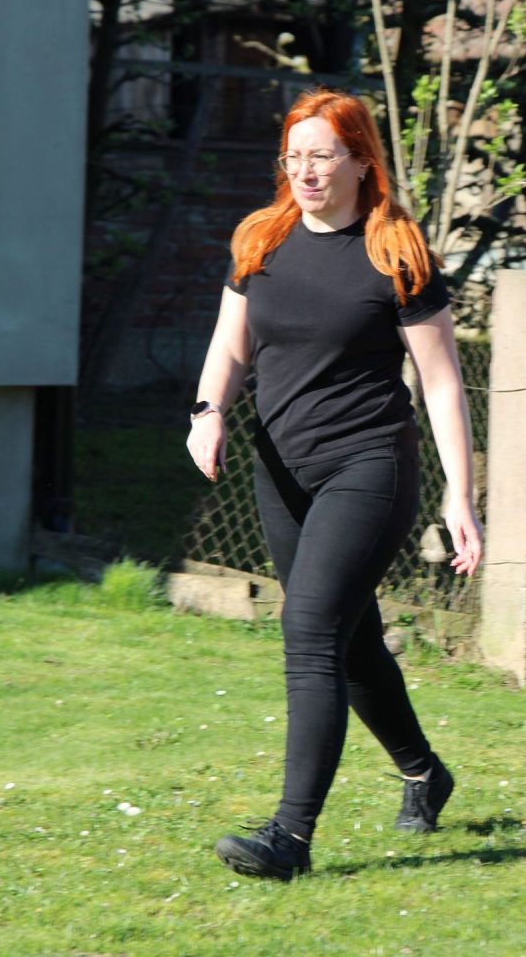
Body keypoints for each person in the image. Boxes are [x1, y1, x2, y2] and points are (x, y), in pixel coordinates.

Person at [187, 88, 482, 882]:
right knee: (349, 641)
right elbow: (230, 346)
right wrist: (208, 411)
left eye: (322, 155)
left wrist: (459, 494)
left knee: (310, 627)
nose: (306, 171)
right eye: (294, 157)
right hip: (281, 470)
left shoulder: (395, 253)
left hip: (368, 466)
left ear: (359, 160)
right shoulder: (262, 239)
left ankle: (290, 836)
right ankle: (424, 772)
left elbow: (441, 383)